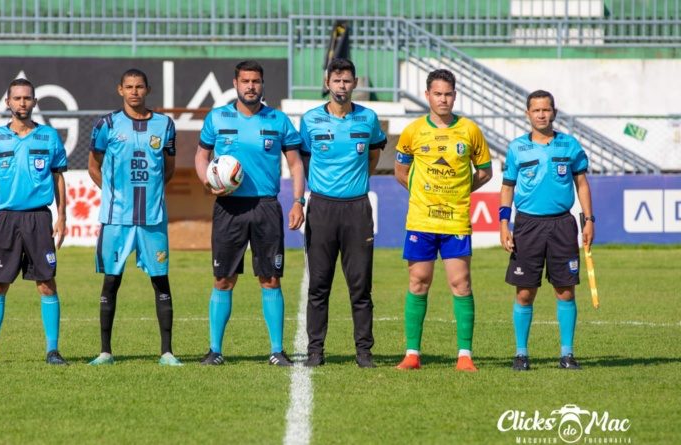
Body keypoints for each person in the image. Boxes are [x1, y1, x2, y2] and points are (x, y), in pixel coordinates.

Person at [194, 60, 305, 366]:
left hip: (265, 206)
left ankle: (277, 350)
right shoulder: (217, 118)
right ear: (235, 83)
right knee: (223, 279)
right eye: (245, 81)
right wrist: (207, 182)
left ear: (262, 84)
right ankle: (215, 350)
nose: (251, 86)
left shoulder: (278, 120)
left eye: (256, 81)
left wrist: (298, 201)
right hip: (229, 207)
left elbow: (296, 164)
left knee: (270, 278)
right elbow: (201, 156)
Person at [393, 69, 492, 372]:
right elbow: (400, 170)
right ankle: (412, 354)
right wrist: (423, 194)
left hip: (455, 221)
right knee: (418, 282)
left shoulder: (470, 130)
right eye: (438, 94)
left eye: (448, 94)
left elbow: (485, 171)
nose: (443, 99)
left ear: (454, 95)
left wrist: (460, 191)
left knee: (460, 284)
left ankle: (465, 355)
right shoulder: (412, 131)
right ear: (427, 96)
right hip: (421, 220)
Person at [87, 68, 182, 366]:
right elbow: (93, 165)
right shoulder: (106, 124)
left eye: (139, 86)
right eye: (128, 87)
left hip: (152, 218)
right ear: (120, 90)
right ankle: (105, 352)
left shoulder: (165, 125)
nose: (134, 92)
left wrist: (152, 192)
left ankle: (166, 352)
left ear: (148, 89)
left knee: (161, 281)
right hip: (116, 218)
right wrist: (113, 194)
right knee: (111, 281)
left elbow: (168, 168)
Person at [0, 78, 69, 365]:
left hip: (39, 218)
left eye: (27, 98)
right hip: (6, 220)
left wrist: (62, 217)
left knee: (46, 284)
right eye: (17, 98)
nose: (22, 103)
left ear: (35, 102)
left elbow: (58, 178)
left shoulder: (49, 136)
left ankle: (53, 351)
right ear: (8, 102)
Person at [298, 58, 387, 368]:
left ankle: (364, 352)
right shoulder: (310, 120)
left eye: (347, 81)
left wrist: (356, 181)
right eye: (336, 81)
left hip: (357, 209)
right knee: (319, 284)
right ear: (327, 83)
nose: (342, 86)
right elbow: (304, 159)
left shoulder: (368, 118)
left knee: (360, 285)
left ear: (355, 83)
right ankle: (315, 351)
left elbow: (375, 154)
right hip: (322, 208)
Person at [500, 90, 594, 371]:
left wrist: (588, 220)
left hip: (562, 225)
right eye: (536, 110)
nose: (542, 115)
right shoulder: (517, 148)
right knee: (524, 293)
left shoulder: (569, 145)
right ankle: (521, 354)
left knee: (565, 291)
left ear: (554, 112)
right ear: (528, 114)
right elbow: (507, 188)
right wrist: (504, 224)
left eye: (546, 110)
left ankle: (567, 355)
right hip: (527, 225)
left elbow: (583, 184)